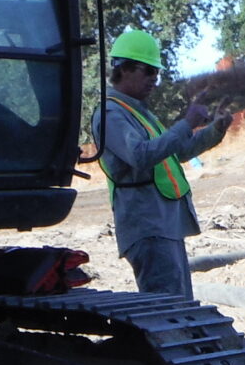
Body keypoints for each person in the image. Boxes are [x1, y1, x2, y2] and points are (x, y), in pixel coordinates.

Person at [96, 28, 229, 297]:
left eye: (157, 72)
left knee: (178, 305)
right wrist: (187, 122)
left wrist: (215, 129)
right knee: (167, 309)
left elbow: (176, 152)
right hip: (147, 227)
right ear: (123, 69)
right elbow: (141, 156)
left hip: (164, 225)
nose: (155, 79)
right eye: (148, 71)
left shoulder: (138, 112)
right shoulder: (110, 114)